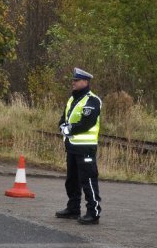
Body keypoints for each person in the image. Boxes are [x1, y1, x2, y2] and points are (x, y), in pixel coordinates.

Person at [55, 68, 103, 225]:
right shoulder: (72, 99)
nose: (73, 82)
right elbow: (64, 118)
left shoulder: (92, 100)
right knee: (72, 181)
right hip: (72, 147)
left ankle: (93, 213)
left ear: (86, 82)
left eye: (76, 80)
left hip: (85, 148)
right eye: (73, 80)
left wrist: (69, 129)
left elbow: (87, 123)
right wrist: (62, 126)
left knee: (88, 180)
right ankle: (73, 208)